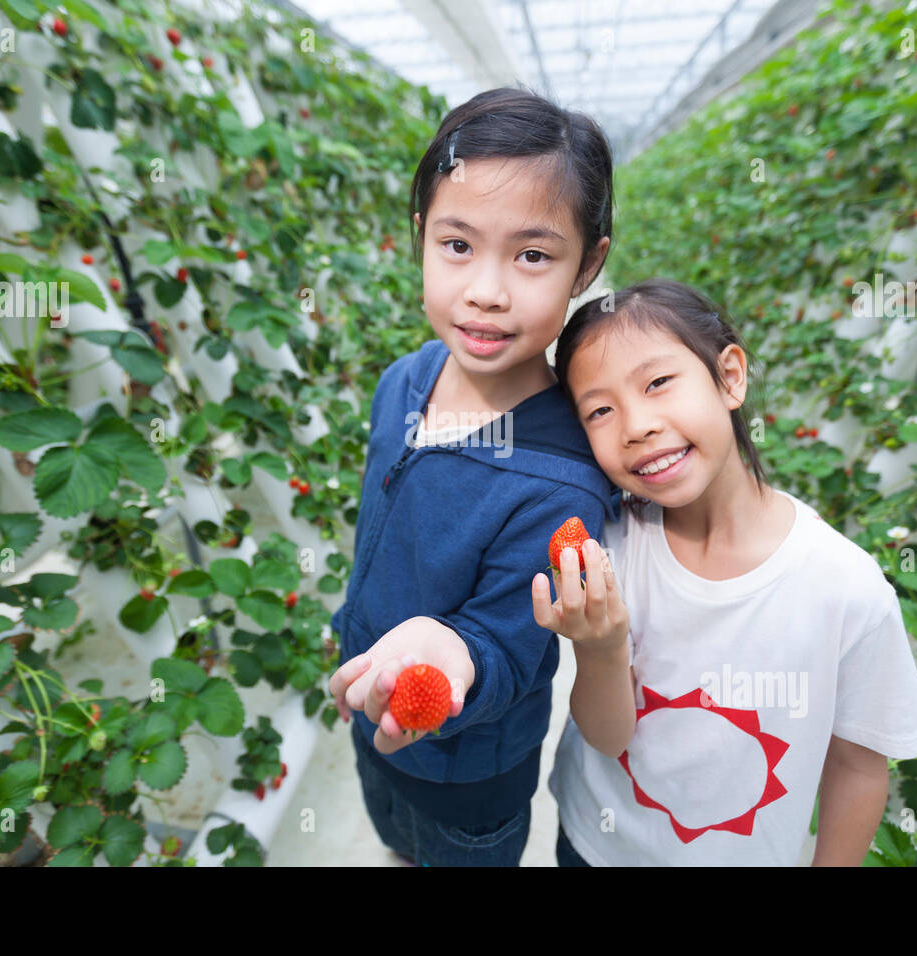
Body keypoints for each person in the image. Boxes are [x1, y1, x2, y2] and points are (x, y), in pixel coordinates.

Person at [535, 278, 917, 866]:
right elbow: (607, 737)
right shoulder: (611, 544)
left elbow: (857, 767)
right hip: (596, 844)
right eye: (600, 410)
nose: (637, 425)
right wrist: (599, 648)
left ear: (730, 377)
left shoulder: (845, 590)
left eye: (657, 383)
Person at [326, 86, 620, 866]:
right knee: (394, 835)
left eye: (532, 255)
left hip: (469, 769)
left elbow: (505, 644)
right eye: (458, 245)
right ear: (421, 237)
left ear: (589, 262)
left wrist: (455, 659)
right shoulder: (406, 379)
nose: (486, 290)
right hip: (370, 705)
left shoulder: (564, 483)